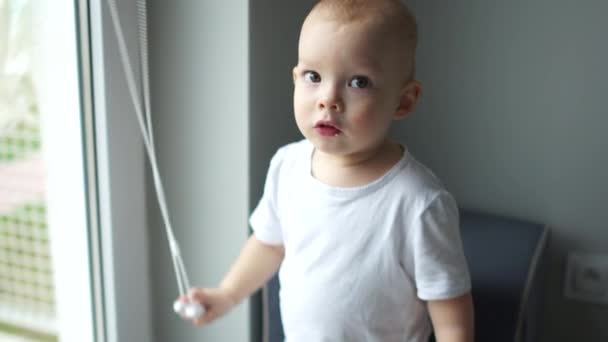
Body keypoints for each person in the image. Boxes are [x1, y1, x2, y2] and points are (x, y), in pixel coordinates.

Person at [178, 0, 474, 340]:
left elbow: (449, 308)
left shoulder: (418, 203)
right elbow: (270, 244)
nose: (328, 99)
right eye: (313, 77)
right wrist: (227, 294)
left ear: (404, 101)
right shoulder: (287, 166)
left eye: (359, 82)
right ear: (295, 79)